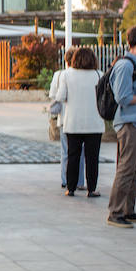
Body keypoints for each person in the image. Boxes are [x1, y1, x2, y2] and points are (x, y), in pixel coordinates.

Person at [106, 25, 136, 228]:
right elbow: (123, 97)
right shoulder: (125, 66)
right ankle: (115, 213)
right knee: (126, 169)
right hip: (130, 123)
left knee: (135, 170)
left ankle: (129, 210)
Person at [55, 47, 104, 197]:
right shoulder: (99, 75)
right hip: (94, 123)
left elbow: (60, 96)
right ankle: (92, 189)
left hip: (73, 122)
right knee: (92, 158)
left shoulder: (67, 75)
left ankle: (71, 188)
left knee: (73, 156)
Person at [49, 47, 85, 189]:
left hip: (63, 118)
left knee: (66, 152)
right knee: (80, 153)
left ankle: (66, 180)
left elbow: (53, 96)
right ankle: (79, 182)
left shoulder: (58, 75)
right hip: (78, 118)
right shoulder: (82, 75)